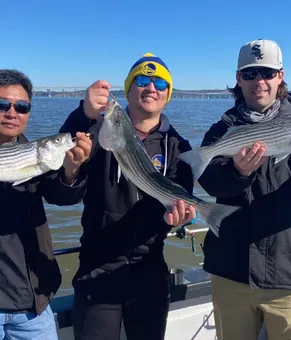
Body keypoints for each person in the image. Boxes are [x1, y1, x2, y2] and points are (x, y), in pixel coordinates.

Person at [59, 53, 196, 340]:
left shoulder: (178, 145)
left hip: (150, 270)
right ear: (129, 88)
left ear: (168, 94)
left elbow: (181, 197)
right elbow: (62, 186)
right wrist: (82, 114)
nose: (151, 88)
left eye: (160, 83)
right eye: (142, 80)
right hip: (97, 268)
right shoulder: (98, 130)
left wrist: (178, 218)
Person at [198, 39, 291, 340]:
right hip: (231, 270)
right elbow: (207, 182)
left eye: (267, 73)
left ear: (280, 76)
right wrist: (238, 172)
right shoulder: (223, 128)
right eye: (249, 74)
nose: (259, 82)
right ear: (238, 79)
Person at [0, 69, 92, 339]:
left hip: (32, 304)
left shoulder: (36, 157)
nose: (12, 112)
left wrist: (72, 169)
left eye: (22, 106)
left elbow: (62, 196)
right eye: (2, 104)